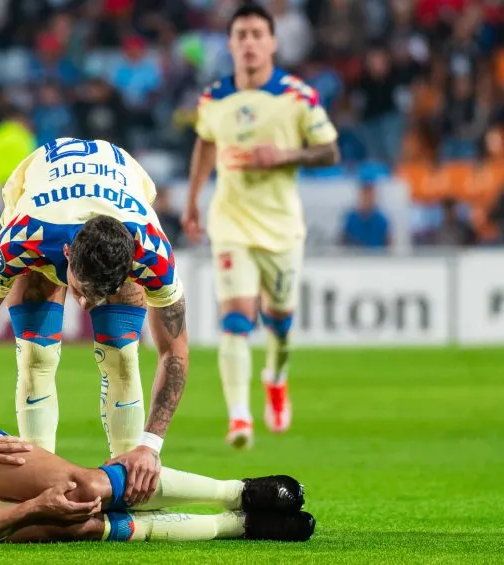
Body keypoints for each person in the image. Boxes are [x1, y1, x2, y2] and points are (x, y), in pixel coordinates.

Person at [0, 345, 316, 550]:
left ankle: (237, 491)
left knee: (86, 489)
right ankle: (240, 526)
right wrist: (33, 510)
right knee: (75, 523)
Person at [0, 137, 188, 506]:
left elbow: (174, 352)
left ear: (130, 269)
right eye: (80, 289)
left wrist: (150, 446)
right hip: (43, 191)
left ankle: (128, 485)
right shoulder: (25, 236)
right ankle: (37, 486)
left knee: (122, 358)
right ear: (66, 253)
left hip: (123, 188)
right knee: (35, 357)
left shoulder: (151, 253)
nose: (83, 304)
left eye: (97, 295)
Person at [180, 4, 340, 449]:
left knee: (280, 321)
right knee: (235, 318)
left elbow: (330, 150)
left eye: (257, 34)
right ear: (230, 44)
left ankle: (276, 377)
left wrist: (285, 155)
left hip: (281, 226)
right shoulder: (213, 99)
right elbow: (205, 145)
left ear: (273, 42)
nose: (249, 42)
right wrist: (192, 202)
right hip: (230, 221)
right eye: (241, 35)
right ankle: (239, 417)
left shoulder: (297, 96)